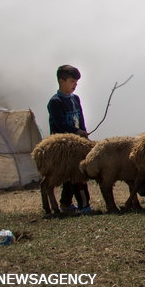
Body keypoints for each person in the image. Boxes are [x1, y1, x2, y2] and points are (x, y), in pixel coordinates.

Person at [47, 64, 92, 213]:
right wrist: (76, 131)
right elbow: (60, 124)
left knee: (74, 175)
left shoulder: (75, 99)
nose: (75, 85)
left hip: (77, 143)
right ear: (61, 81)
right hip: (63, 146)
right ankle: (84, 206)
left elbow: (80, 118)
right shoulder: (55, 102)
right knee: (75, 175)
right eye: (72, 81)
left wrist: (83, 133)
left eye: (76, 82)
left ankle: (66, 204)